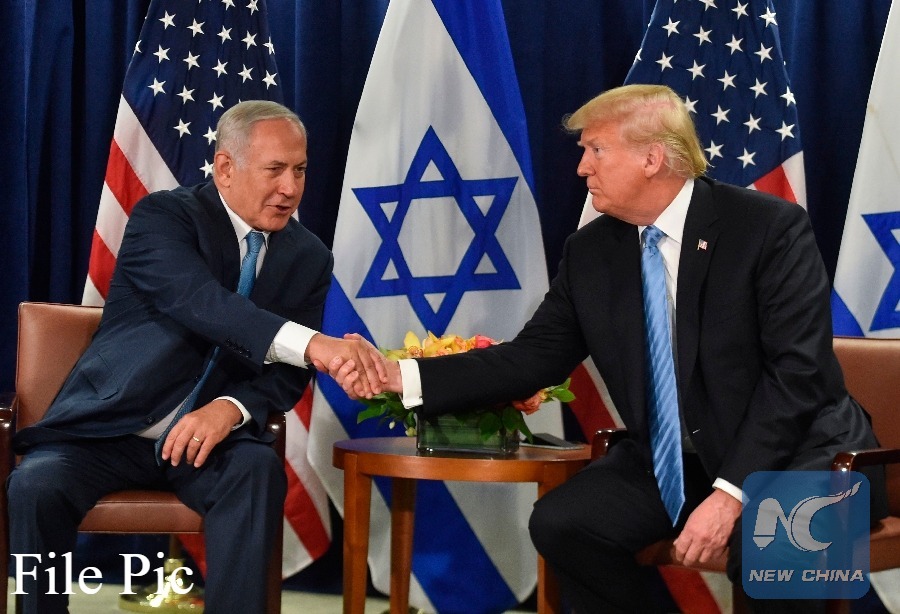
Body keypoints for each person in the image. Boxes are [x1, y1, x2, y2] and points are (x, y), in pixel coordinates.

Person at [330, 84, 887, 613]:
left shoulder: (767, 228)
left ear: (652, 158)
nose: (582, 167)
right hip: (684, 461)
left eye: (596, 149)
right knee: (566, 524)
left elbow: (797, 377)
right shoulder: (592, 252)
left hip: (805, 454)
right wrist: (399, 377)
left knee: (772, 543)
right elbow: (530, 359)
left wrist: (731, 492)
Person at [7, 100, 385, 613]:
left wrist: (230, 408)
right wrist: (315, 344)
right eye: (275, 169)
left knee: (256, 470)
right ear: (225, 167)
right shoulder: (163, 217)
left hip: (209, 442)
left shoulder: (309, 257)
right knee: (36, 485)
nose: (290, 188)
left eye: (299, 170)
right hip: (110, 429)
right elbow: (204, 304)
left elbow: (283, 378)